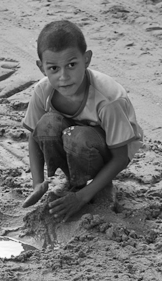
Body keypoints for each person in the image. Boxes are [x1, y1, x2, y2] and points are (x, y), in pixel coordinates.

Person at [22, 20, 143, 222]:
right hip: (77, 144)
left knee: (77, 137)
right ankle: (74, 180)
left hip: (109, 151)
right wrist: (38, 183)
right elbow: (34, 137)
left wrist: (81, 198)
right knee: (47, 124)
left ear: (86, 59)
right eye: (53, 68)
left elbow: (121, 157)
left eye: (71, 65)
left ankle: (99, 187)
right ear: (41, 67)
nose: (63, 76)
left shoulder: (108, 99)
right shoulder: (42, 90)